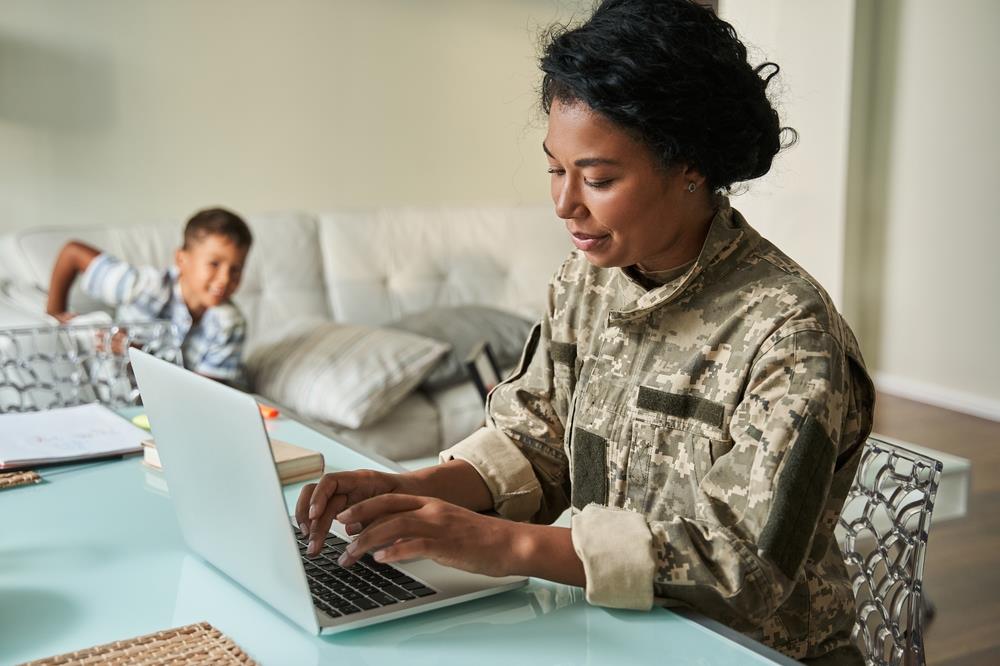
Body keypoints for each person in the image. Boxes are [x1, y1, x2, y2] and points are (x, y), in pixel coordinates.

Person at [296, 1, 873, 663]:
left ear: (692, 168)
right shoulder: (586, 280)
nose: (565, 203)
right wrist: (416, 491)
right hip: (616, 634)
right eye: (555, 168)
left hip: (750, 651)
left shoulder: (789, 333)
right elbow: (536, 438)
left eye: (597, 178)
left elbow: (741, 568)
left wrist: (501, 544)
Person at [46, 206, 252, 387]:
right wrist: (53, 314)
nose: (225, 279)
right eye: (214, 264)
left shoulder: (230, 323)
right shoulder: (144, 286)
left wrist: (140, 354)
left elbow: (207, 393)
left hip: (176, 401)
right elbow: (72, 253)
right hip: (119, 388)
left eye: (236, 269)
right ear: (182, 259)